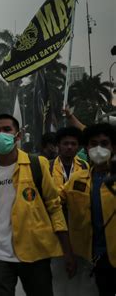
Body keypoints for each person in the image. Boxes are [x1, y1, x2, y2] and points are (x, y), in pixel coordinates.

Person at [0, 114, 76, 296]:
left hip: (36, 254)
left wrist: (67, 251)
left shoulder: (38, 164)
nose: (1, 134)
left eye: (7, 130)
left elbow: (54, 208)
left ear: (18, 135)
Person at [60, 123, 116, 296]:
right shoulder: (77, 179)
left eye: (104, 143)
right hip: (90, 258)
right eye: (93, 143)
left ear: (113, 147)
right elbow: (55, 204)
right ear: (86, 147)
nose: (99, 148)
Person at [51, 127, 88, 192]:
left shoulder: (84, 166)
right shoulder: (49, 166)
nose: (69, 147)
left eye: (73, 144)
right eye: (66, 143)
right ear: (58, 145)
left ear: (78, 147)